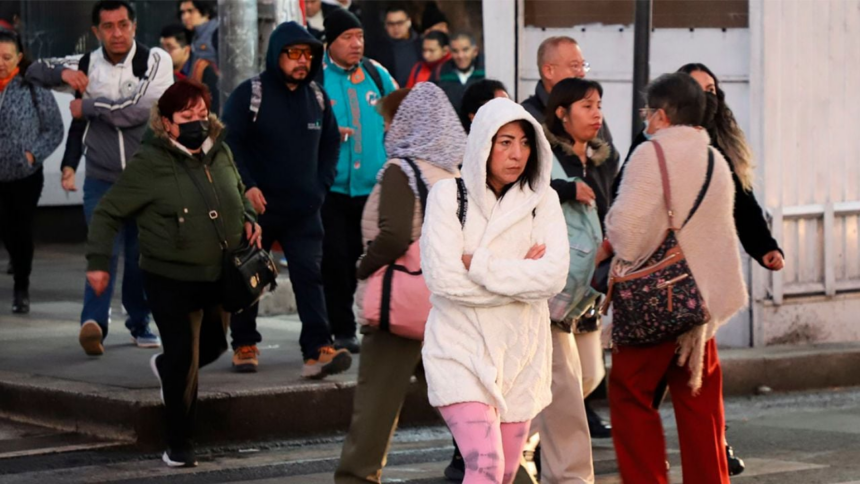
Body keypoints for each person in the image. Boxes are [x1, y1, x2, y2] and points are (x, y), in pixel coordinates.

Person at [615, 62, 785, 477]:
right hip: (701, 305)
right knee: (700, 403)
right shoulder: (716, 159)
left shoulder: (649, 154)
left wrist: (613, 248)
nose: (647, 120)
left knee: (629, 394)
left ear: (664, 114)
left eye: (648, 112)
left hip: (657, 299)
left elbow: (627, 233)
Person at [85, 79, 260, 468]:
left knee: (213, 347)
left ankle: (165, 368)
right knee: (183, 358)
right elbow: (108, 212)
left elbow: (237, 190)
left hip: (218, 274)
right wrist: (98, 262)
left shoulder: (221, 152)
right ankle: (179, 442)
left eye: (202, 114)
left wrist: (248, 217)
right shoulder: (149, 164)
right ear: (166, 123)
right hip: (169, 277)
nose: (198, 123)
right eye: (187, 117)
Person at [420, 97, 569, 484]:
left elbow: (552, 278)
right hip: (459, 349)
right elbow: (443, 279)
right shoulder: (447, 196)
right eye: (504, 142)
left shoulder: (544, 200)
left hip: (521, 355)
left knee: (504, 471)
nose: (516, 154)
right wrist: (522, 278)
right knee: (483, 465)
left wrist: (482, 266)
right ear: (483, 143)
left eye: (524, 142)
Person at [26, 0, 174, 355]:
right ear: (96, 32)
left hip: (147, 180)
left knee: (142, 258)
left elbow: (142, 109)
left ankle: (139, 321)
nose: (117, 33)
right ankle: (93, 324)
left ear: (134, 26)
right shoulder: (86, 63)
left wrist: (89, 106)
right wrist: (61, 75)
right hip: (101, 178)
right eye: (108, 26)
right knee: (101, 252)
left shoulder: (155, 60)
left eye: (123, 24)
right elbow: (31, 69)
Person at [335, 82, 465, 484]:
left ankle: (356, 477)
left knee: (376, 404)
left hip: (400, 306)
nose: (388, 130)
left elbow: (392, 236)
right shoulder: (454, 172)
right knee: (462, 402)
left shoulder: (401, 169)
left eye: (391, 120)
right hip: (445, 305)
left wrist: (362, 266)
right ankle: (496, 467)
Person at [222, 21, 351, 378]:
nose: (302, 61)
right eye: (293, 53)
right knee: (250, 276)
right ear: (275, 55)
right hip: (256, 209)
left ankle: (317, 349)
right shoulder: (251, 94)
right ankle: (244, 344)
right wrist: (247, 186)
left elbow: (330, 145)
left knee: (310, 274)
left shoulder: (319, 97)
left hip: (304, 209)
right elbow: (229, 143)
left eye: (307, 54)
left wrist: (321, 186)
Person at [320, 8, 397, 353]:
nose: (356, 44)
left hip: (374, 189)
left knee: (372, 260)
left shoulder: (375, 74)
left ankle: (375, 321)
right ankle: (342, 328)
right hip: (331, 189)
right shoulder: (316, 77)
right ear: (329, 43)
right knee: (336, 260)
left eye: (359, 37)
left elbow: (403, 113)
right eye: (347, 38)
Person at [0, 29, 63, 314]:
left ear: (19, 57)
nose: (1, 62)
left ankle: (21, 286)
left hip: (25, 174)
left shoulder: (32, 85)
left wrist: (32, 154)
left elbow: (54, 128)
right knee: (5, 228)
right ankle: (16, 258)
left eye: (6, 57)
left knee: (21, 229)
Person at [160, 24, 219, 113]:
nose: (165, 53)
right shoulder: (160, 71)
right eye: (162, 48)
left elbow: (214, 108)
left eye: (170, 48)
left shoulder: (203, 69)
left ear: (187, 49)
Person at [435, 32, 484, 114]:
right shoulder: (440, 73)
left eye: (465, 50)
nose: (460, 56)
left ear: (475, 51)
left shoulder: (488, 72)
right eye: (455, 51)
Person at [376, 5, 421, 88]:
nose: (396, 28)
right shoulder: (378, 49)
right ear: (385, 25)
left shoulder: (421, 44)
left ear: (409, 22)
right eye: (391, 24)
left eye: (400, 23)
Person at [178, 1, 218, 65]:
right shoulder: (191, 34)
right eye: (182, 12)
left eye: (190, 11)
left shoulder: (217, 33)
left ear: (206, 12)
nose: (185, 17)